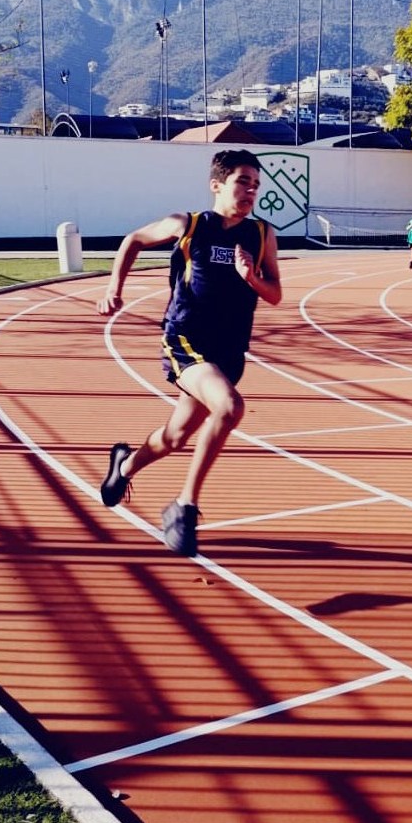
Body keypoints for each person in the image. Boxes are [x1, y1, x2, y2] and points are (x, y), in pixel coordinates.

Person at [95, 149, 282, 557]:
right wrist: (114, 288)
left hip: (230, 349)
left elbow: (275, 294)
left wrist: (251, 277)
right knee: (229, 407)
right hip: (186, 340)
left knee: (177, 436)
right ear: (217, 185)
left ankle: (124, 466)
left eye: (255, 184)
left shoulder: (262, 234)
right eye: (242, 181)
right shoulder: (189, 224)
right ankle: (184, 506)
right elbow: (133, 240)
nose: (251, 190)